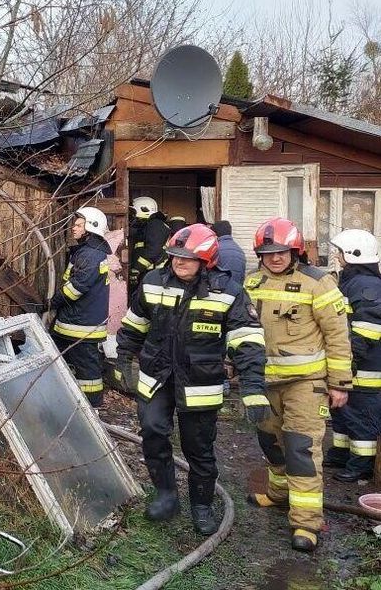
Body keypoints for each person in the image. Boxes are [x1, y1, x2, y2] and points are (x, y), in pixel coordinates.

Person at [116, 224, 268, 535]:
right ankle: (166, 496)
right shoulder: (153, 281)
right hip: (156, 377)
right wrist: (122, 360)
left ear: (206, 260)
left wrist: (253, 388)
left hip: (201, 383)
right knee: (153, 432)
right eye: (174, 255)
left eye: (186, 257)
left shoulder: (228, 292)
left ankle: (202, 505)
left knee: (198, 447)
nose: (178, 261)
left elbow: (247, 342)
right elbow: (134, 324)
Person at [244, 217, 352, 552]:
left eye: (282, 251)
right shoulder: (251, 282)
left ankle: (306, 522)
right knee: (270, 443)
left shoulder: (318, 283)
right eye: (268, 252)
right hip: (264, 382)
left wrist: (340, 384)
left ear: (295, 251)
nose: (275, 257)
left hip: (306, 384)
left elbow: (338, 335)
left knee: (301, 449)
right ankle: (278, 494)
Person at [327, 229, 381, 482]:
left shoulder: (367, 285)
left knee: (361, 418)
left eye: (339, 252)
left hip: (365, 369)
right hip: (351, 365)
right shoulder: (353, 281)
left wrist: (350, 361)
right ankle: (341, 454)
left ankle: (361, 465)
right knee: (343, 413)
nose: (336, 257)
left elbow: (367, 329)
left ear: (352, 255)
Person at [50, 206, 111, 407]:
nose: (73, 228)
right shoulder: (88, 252)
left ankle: (92, 409)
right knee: (65, 365)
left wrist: (51, 303)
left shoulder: (90, 255)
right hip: (76, 322)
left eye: (78, 225)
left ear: (91, 228)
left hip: (80, 326)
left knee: (88, 375)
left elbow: (75, 289)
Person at [128, 196, 169, 295]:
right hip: (150, 272)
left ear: (143, 209)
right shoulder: (151, 225)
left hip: (154, 273)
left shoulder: (155, 224)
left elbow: (153, 250)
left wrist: (137, 268)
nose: (133, 215)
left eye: (134, 212)